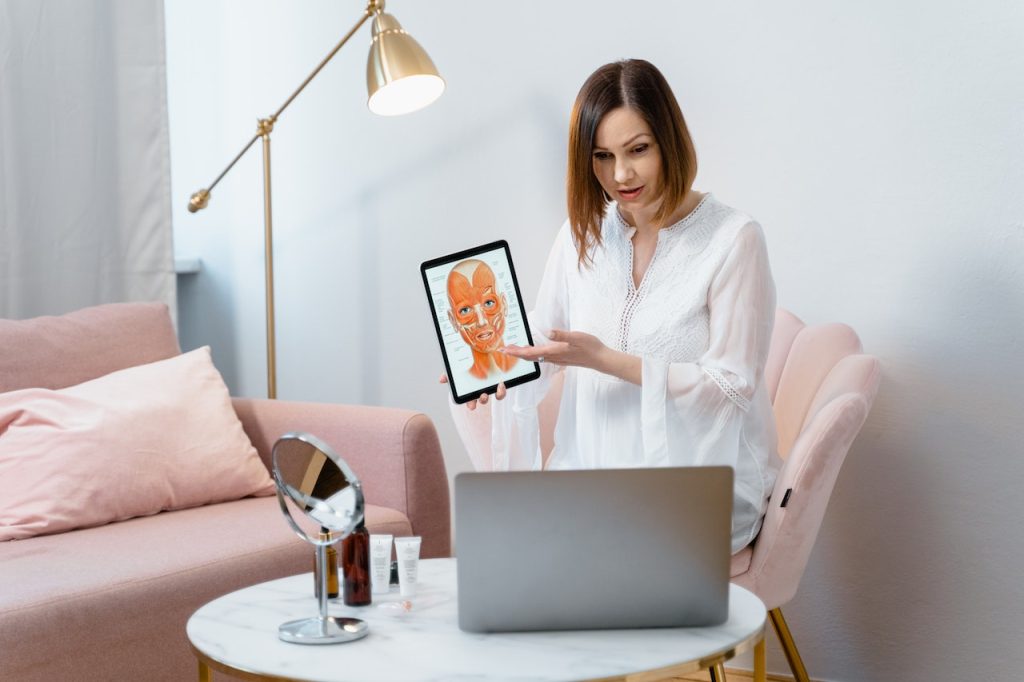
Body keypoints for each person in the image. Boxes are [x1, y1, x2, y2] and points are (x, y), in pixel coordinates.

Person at [446, 59, 781, 553]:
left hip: (698, 484)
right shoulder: (583, 233)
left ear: (670, 139)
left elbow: (730, 387)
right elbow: (548, 328)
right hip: (592, 469)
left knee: (558, 554)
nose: (620, 174)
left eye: (637, 150)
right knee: (510, 543)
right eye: (602, 156)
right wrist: (489, 360)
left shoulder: (733, 239)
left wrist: (605, 360)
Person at [446, 259, 519, 380]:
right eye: (465, 310)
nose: (481, 321)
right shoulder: (463, 383)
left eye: (489, 303)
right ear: (453, 320)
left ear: (504, 304)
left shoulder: (532, 360)